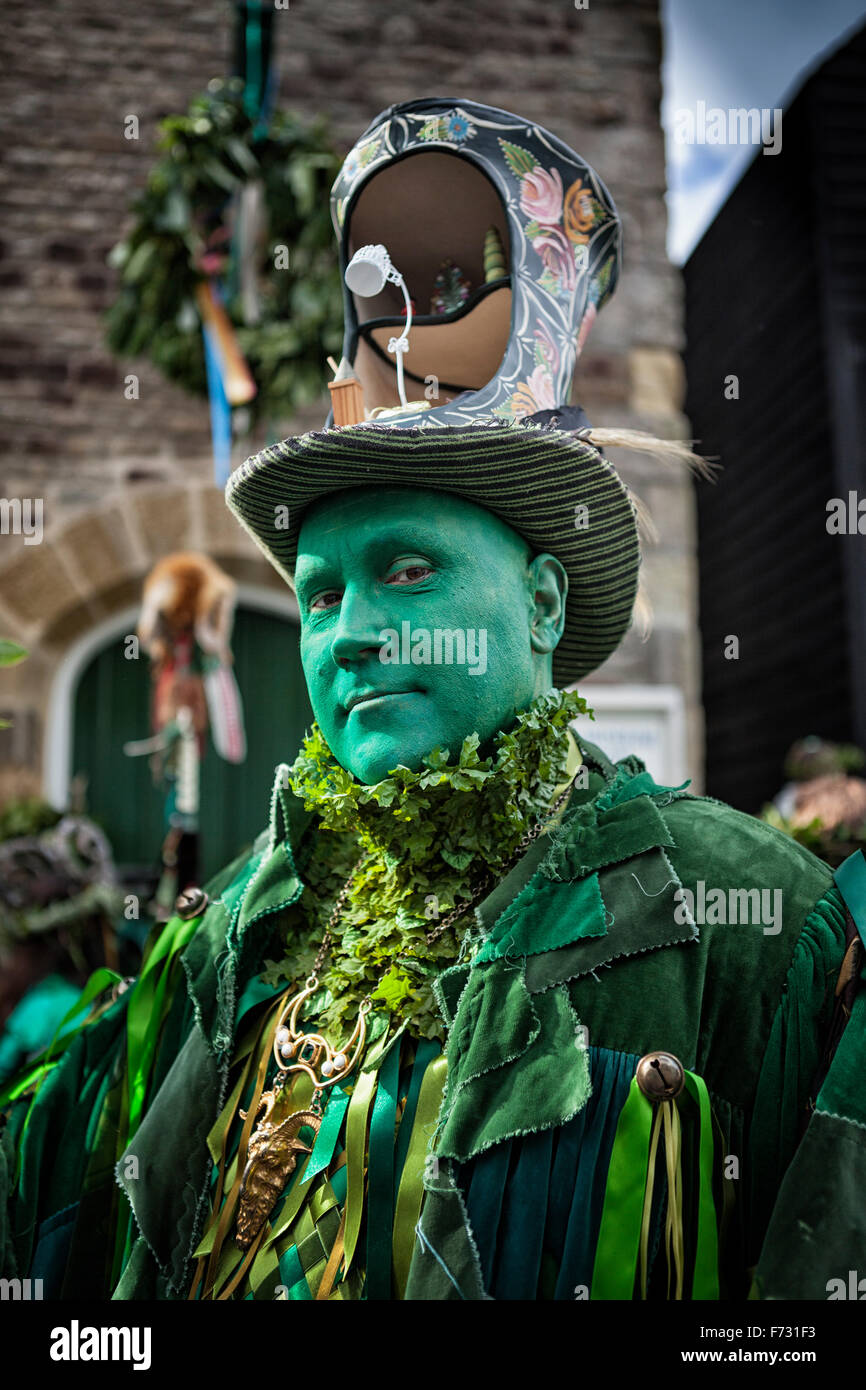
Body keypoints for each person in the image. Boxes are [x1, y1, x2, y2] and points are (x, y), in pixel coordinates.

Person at [2, 416, 864, 1302]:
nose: (347, 636)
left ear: (542, 606)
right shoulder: (245, 914)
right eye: (322, 597)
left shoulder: (757, 914)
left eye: (409, 571)